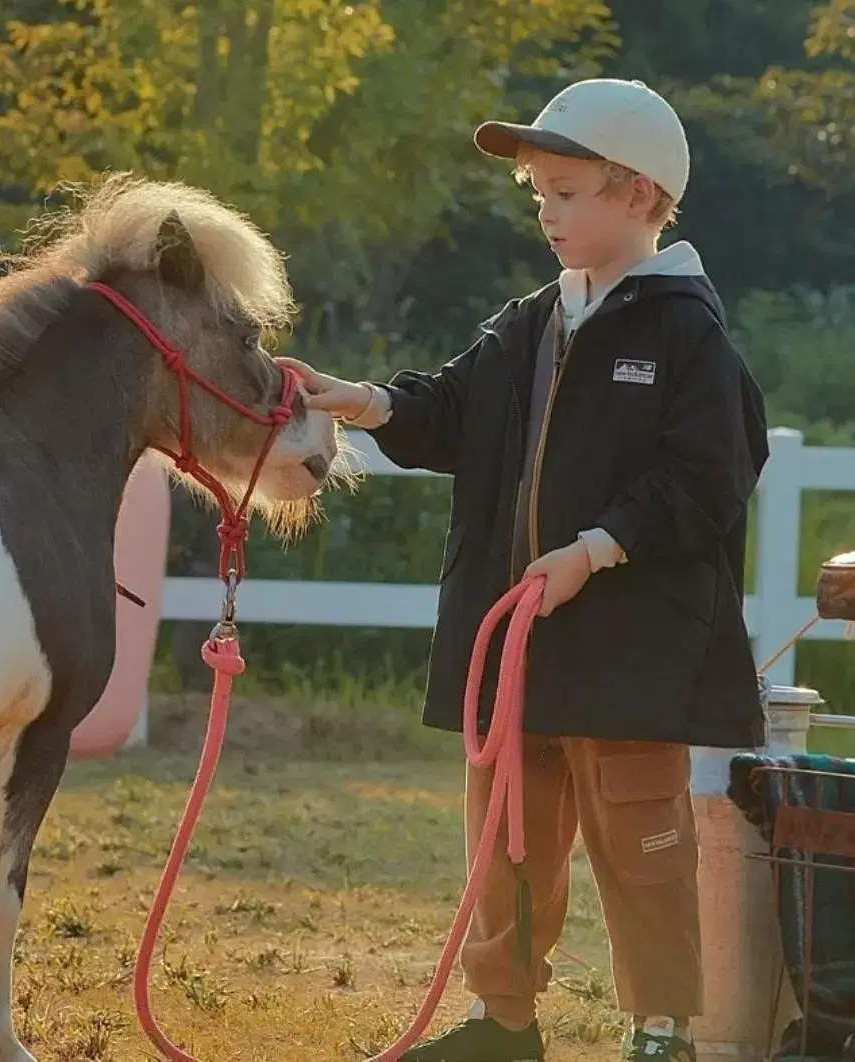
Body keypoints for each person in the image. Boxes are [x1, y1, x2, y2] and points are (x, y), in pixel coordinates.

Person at [279, 78, 770, 1062]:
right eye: (537, 192)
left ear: (639, 196)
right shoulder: (531, 319)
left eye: (567, 191)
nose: (546, 211)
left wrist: (596, 551)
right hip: (520, 645)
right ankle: (502, 1021)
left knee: (643, 844)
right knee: (508, 834)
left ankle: (661, 1030)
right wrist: (365, 401)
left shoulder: (685, 331)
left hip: (633, 651)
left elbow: (709, 475)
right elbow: (454, 411)